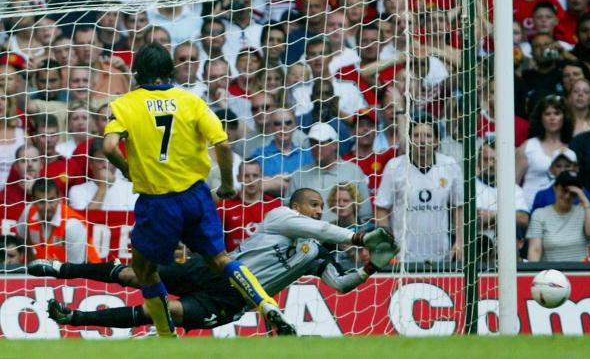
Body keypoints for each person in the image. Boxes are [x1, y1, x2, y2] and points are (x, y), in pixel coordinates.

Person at [102, 42, 294, 337]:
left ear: (137, 72)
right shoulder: (191, 101)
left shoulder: (124, 104)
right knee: (220, 260)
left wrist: (126, 168)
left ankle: (166, 335)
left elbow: (109, 146)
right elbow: (224, 144)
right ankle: (267, 304)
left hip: (158, 201)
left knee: (144, 270)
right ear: (170, 70)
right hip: (196, 196)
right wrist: (229, 183)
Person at [30, 188, 397, 332]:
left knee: (163, 312)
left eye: (321, 207)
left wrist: (370, 265)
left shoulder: (316, 253)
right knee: (137, 274)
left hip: (233, 299)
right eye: (314, 205)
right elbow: (326, 232)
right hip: (215, 269)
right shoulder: (279, 217)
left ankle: (74, 318)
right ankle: (61, 269)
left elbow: (341, 285)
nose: (319, 211)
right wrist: (358, 237)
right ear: (298, 206)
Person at [375, 115, 464, 263]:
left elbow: (459, 206)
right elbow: (382, 208)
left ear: (437, 141)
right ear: (409, 139)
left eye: (428, 136)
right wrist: (387, 245)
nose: (422, 141)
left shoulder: (450, 165)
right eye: (416, 135)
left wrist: (460, 242)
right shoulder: (394, 166)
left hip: (441, 254)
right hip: (403, 255)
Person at [287, 122, 372, 222]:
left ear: (334, 145)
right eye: (313, 142)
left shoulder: (353, 171)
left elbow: (365, 215)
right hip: (308, 235)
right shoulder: (299, 175)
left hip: (345, 235)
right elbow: (288, 214)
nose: (316, 147)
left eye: (322, 143)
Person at [17, 178, 101, 264]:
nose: (47, 207)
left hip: (87, 272)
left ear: (59, 198)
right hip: (51, 270)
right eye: (41, 202)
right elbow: (24, 242)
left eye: (51, 200)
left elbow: (76, 269)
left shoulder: (72, 225)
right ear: (33, 201)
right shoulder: (28, 212)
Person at [516, 95, 574, 209]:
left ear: (564, 117)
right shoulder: (528, 146)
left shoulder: (571, 149)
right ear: (540, 118)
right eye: (547, 114)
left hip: (562, 212)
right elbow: (513, 184)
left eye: (557, 113)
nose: (552, 118)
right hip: (529, 210)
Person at [527, 170, 590, 261]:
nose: (567, 196)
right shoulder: (540, 214)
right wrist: (533, 273)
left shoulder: (585, 212)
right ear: (555, 188)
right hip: (553, 273)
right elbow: (535, 250)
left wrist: (585, 200)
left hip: (580, 272)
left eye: (573, 193)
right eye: (564, 190)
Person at [217, 161, 282, 252]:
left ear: (261, 177)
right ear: (238, 178)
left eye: (255, 175)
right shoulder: (224, 207)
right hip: (235, 261)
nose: (251, 180)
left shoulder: (275, 205)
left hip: (267, 260)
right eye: (246, 176)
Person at [68, 138, 137, 211]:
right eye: (100, 161)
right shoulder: (77, 191)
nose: (105, 165)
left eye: (110, 161)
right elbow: (84, 220)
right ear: (91, 164)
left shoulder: (131, 189)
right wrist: (103, 187)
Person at [532, 148, 590, 212]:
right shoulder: (541, 196)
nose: (563, 170)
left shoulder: (586, 195)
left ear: (576, 168)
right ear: (551, 169)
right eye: (558, 166)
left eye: (567, 166)